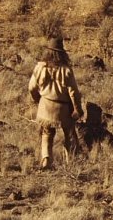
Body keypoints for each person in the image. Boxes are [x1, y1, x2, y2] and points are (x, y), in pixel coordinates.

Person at [28, 37, 83, 169]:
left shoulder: (40, 67)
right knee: (69, 133)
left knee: (46, 133)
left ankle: (46, 159)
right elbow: (73, 92)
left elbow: (31, 87)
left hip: (45, 105)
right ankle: (71, 161)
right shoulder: (66, 70)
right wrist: (77, 109)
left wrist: (37, 100)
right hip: (63, 107)